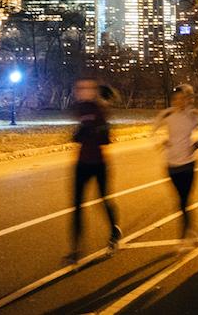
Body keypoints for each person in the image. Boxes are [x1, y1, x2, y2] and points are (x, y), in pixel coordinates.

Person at [66, 78, 122, 264]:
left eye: (84, 88)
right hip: (81, 163)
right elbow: (78, 134)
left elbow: (106, 139)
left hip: (99, 164)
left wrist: (94, 130)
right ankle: (75, 248)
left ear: (93, 91)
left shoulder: (100, 109)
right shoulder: (80, 108)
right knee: (77, 205)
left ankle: (114, 232)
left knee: (104, 200)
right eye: (79, 88)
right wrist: (79, 134)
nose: (80, 91)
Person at [152, 84, 198, 247]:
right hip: (172, 165)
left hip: (188, 164)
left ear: (188, 100)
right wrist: (162, 142)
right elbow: (153, 130)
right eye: (176, 99)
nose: (179, 102)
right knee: (181, 200)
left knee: (184, 200)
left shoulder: (193, 115)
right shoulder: (167, 114)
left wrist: (196, 145)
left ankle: (184, 235)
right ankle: (190, 230)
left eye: (183, 99)